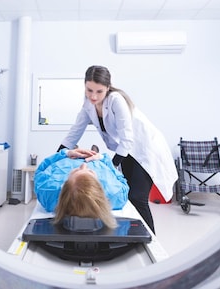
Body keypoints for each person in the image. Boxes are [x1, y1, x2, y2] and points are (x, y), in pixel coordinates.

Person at [57, 65, 178, 233]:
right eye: (89, 90)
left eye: (99, 91)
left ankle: (150, 240)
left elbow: (127, 139)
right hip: (127, 151)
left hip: (145, 149)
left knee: (137, 198)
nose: (93, 96)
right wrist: (57, 156)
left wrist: (110, 164)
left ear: (107, 88)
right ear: (84, 86)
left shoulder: (116, 100)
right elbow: (74, 133)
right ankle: (132, 234)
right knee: (125, 194)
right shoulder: (88, 105)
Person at [34, 145, 129, 229]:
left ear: (64, 185)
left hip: (69, 159)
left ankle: (76, 149)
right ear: (99, 186)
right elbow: (121, 180)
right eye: (90, 171)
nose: (83, 165)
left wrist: (66, 153)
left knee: (75, 151)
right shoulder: (115, 194)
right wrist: (102, 158)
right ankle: (93, 152)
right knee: (94, 154)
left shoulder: (49, 192)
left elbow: (39, 172)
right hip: (96, 160)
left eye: (76, 170)